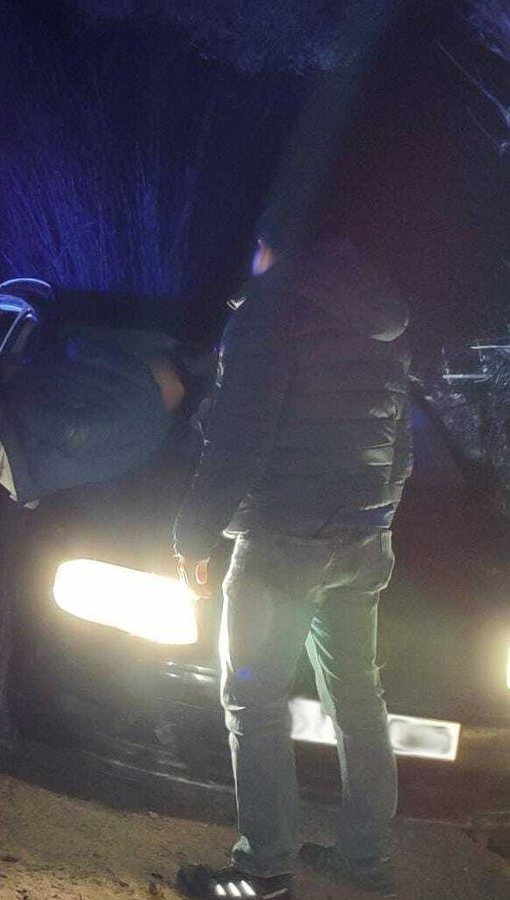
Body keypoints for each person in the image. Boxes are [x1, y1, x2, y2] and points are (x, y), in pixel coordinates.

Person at [172, 231, 411, 900]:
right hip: (363, 540)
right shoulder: (383, 322)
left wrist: (193, 538)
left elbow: (239, 439)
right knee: (359, 700)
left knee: (252, 697)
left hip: (282, 541)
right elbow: (401, 445)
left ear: (272, 250)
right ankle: (366, 858)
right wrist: (374, 519)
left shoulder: (270, 314)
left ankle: (265, 869)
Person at [0, 336, 189, 761]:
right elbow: (79, 435)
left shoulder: (119, 385)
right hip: (7, 480)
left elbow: (74, 429)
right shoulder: (141, 411)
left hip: (0, 472)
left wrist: (8, 401)